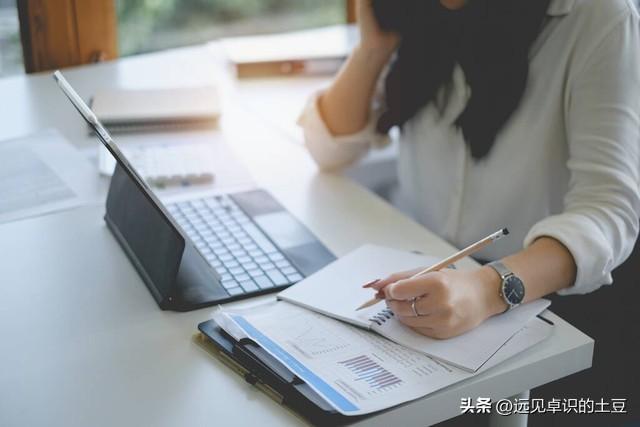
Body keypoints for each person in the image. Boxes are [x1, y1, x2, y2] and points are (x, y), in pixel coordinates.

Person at [298, 0, 640, 339]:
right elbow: (328, 149)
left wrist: (485, 289)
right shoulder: (418, 12)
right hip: (416, 272)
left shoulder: (599, 16)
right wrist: (372, 48)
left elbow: (609, 210)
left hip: (536, 298)